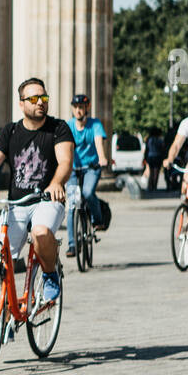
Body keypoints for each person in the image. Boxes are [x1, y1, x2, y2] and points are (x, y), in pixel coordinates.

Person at [0, 78, 73, 302]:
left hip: (47, 199)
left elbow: (65, 162)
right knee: (0, 258)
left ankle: (50, 273)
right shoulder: (10, 131)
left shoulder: (58, 128)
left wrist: (56, 183)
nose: (40, 102)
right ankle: (3, 319)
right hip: (17, 204)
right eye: (33, 99)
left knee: (40, 232)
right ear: (21, 104)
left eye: (43, 98)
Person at [65, 93, 108, 258]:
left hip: (91, 167)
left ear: (87, 108)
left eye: (81, 107)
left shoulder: (95, 124)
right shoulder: (68, 126)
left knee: (88, 192)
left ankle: (97, 220)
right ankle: (72, 244)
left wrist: (102, 157)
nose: (78, 110)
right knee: (73, 205)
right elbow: (65, 146)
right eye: (75, 107)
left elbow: (98, 141)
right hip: (73, 170)